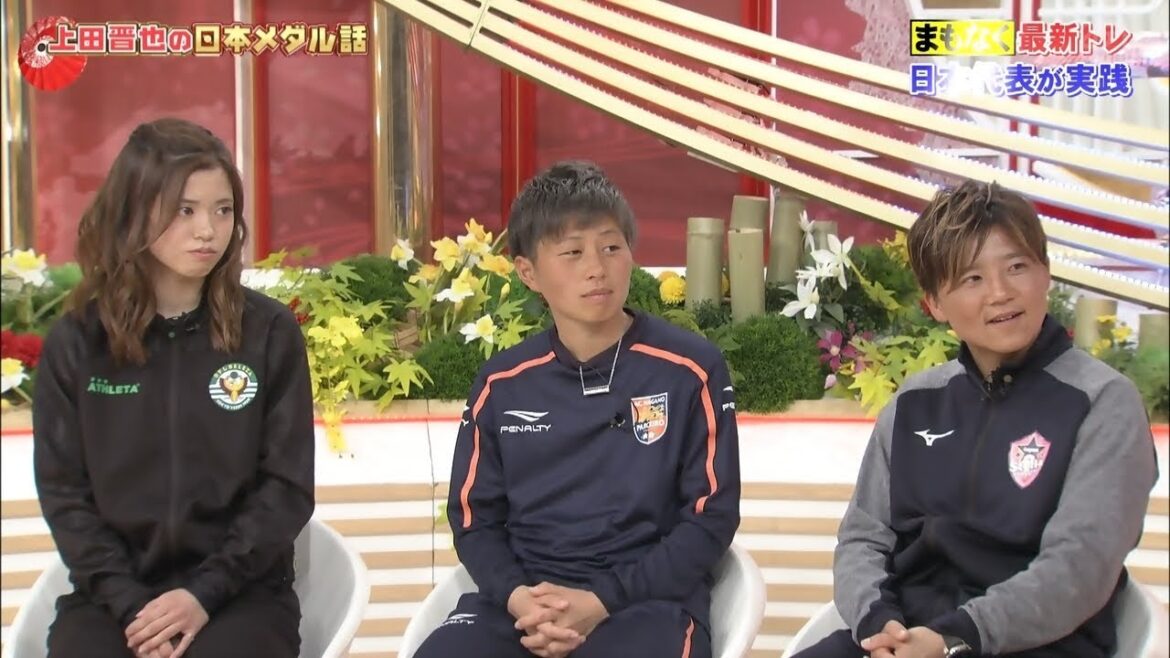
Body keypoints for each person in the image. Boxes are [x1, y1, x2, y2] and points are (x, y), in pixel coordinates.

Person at [791, 179, 1159, 658]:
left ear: (1046, 273)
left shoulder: (1103, 402)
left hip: (1032, 644)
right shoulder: (915, 402)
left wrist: (952, 638)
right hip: (903, 638)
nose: (1001, 293)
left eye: (1017, 267)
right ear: (934, 304)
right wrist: (879, 624)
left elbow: (1079, 568)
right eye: (972, 279)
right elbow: (864, 537)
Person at [412, 161, 742, 658]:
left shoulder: (690, 369)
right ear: (528, 272)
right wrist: (521, 600)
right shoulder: (502, 384)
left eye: (611, 247)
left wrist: (602, 600)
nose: (596, 268)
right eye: (572, 252)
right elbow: (474, 519)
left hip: (646, 604)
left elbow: (711, 518)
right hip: (526, 604)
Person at [32, 117, 315, 658]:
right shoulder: (78, 342)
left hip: (240, 596)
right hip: (112, 599)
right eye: (185, 210)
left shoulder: (268, 333)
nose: (208, 230)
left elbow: (286, 488)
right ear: (134, 211)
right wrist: (129, 605)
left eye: (223, 210)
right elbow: (65, 496)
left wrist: (204, 593)